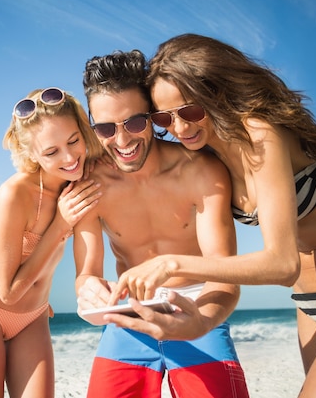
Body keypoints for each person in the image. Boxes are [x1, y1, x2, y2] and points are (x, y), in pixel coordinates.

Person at [109, 33, 316, 398]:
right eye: (165, 118)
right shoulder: (206, 159)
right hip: (311, 303)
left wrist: (173, 265)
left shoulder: (260, 133)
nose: (179, 129)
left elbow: (281, 263)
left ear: (217, 93)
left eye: (191, 111)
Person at [74, 50, 249, 398]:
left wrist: (201, 320)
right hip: (128, 315)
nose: (122, 140)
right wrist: (88, 289)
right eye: (106, 128)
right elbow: (86, 273)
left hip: (197, 307)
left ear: (153, 117)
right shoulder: (89, 182)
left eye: (135, 123)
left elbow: (224, 275)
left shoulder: (201, 171)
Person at [0, 87, 105, 398]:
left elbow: (87, 269)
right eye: (51, 152)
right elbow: (7, 292)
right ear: (30, 154)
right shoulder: (14, 194)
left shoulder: (80, 187)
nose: (69, 157)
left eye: (73, 141)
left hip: (34, 316)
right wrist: (60, 225)